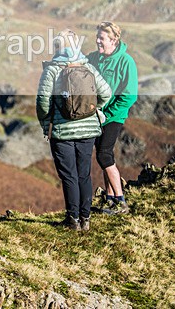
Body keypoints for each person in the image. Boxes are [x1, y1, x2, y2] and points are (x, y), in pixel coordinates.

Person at [37, 29, 112, 231]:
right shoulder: (88, 67)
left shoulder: (52, 70)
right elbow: (106, 93)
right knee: (84, 174)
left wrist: (46, 121)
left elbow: (43, 101)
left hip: (62, 132)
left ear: (57, 47)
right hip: (88, 130)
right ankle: (85, 219)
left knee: (69, 175)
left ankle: (73, 220)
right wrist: (92, 109)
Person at [87, 21, 138, 214]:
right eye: (97, 37)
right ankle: (109, 199)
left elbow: (129, 96)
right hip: (96, 115)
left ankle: (120, 201)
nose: (98, 41)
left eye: (102, 38)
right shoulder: (93, 58)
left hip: (113, 116)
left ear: (114, 40)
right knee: (104, 156)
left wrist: (107, 114)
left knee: (104, 154)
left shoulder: (126, 62)